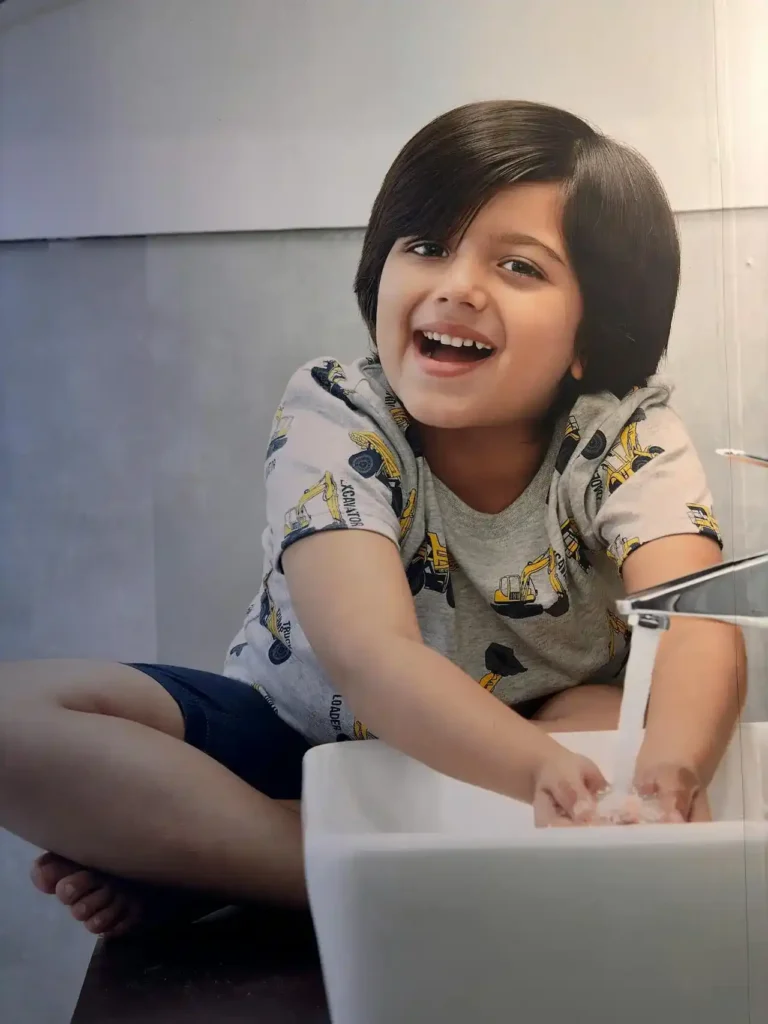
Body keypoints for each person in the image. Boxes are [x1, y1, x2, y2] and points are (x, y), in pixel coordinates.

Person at [0, 100, 746, 939]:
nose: (457, 286)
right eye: (427, 246)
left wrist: (668, 775)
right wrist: (537, 769)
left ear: (592, 332)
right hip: (300, 746)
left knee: (610, 717)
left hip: (532, 755)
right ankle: (314, 866)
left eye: (519, 267)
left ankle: (218, 864)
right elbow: (369, 654)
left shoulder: (627, 437)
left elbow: (693, 622)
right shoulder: (338, 412)